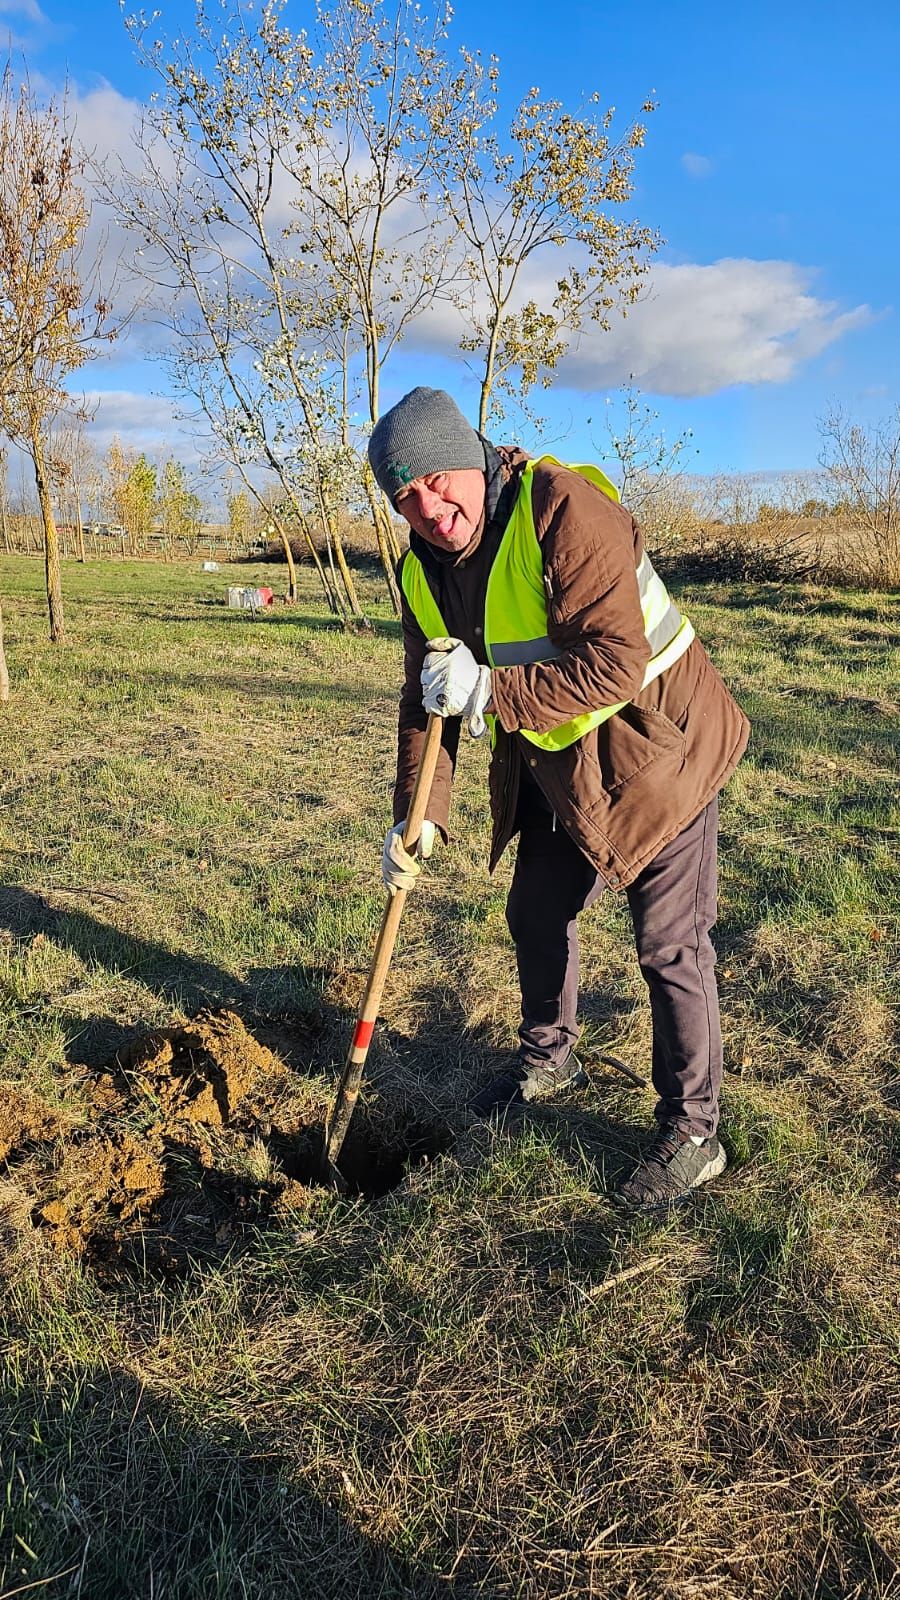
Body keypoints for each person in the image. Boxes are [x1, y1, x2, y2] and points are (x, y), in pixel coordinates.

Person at [368, 387, 749, 1208]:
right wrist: (418, 813)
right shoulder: (420, 571)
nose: (431, 509)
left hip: (663, 746)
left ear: (470, 457)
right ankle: (550, 1057)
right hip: (559, 755)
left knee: (669, 946)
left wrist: (490, 691)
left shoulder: (563, 510)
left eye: (439, 480)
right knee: (535, 912)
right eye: (406, 497)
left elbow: (614, 661)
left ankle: (694, 1132)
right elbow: (422, 700)